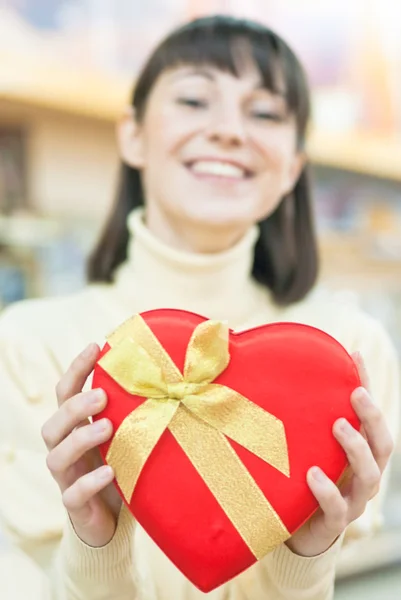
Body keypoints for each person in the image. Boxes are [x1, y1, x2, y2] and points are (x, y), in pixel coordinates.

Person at [0, 14, 398, 600]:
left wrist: (304, 555)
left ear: (292, 167)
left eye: (264, 113)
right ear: (132, 134)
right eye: (194, 100)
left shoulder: (348, 352)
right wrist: (97, 547)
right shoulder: (31, 342)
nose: (229, 131)